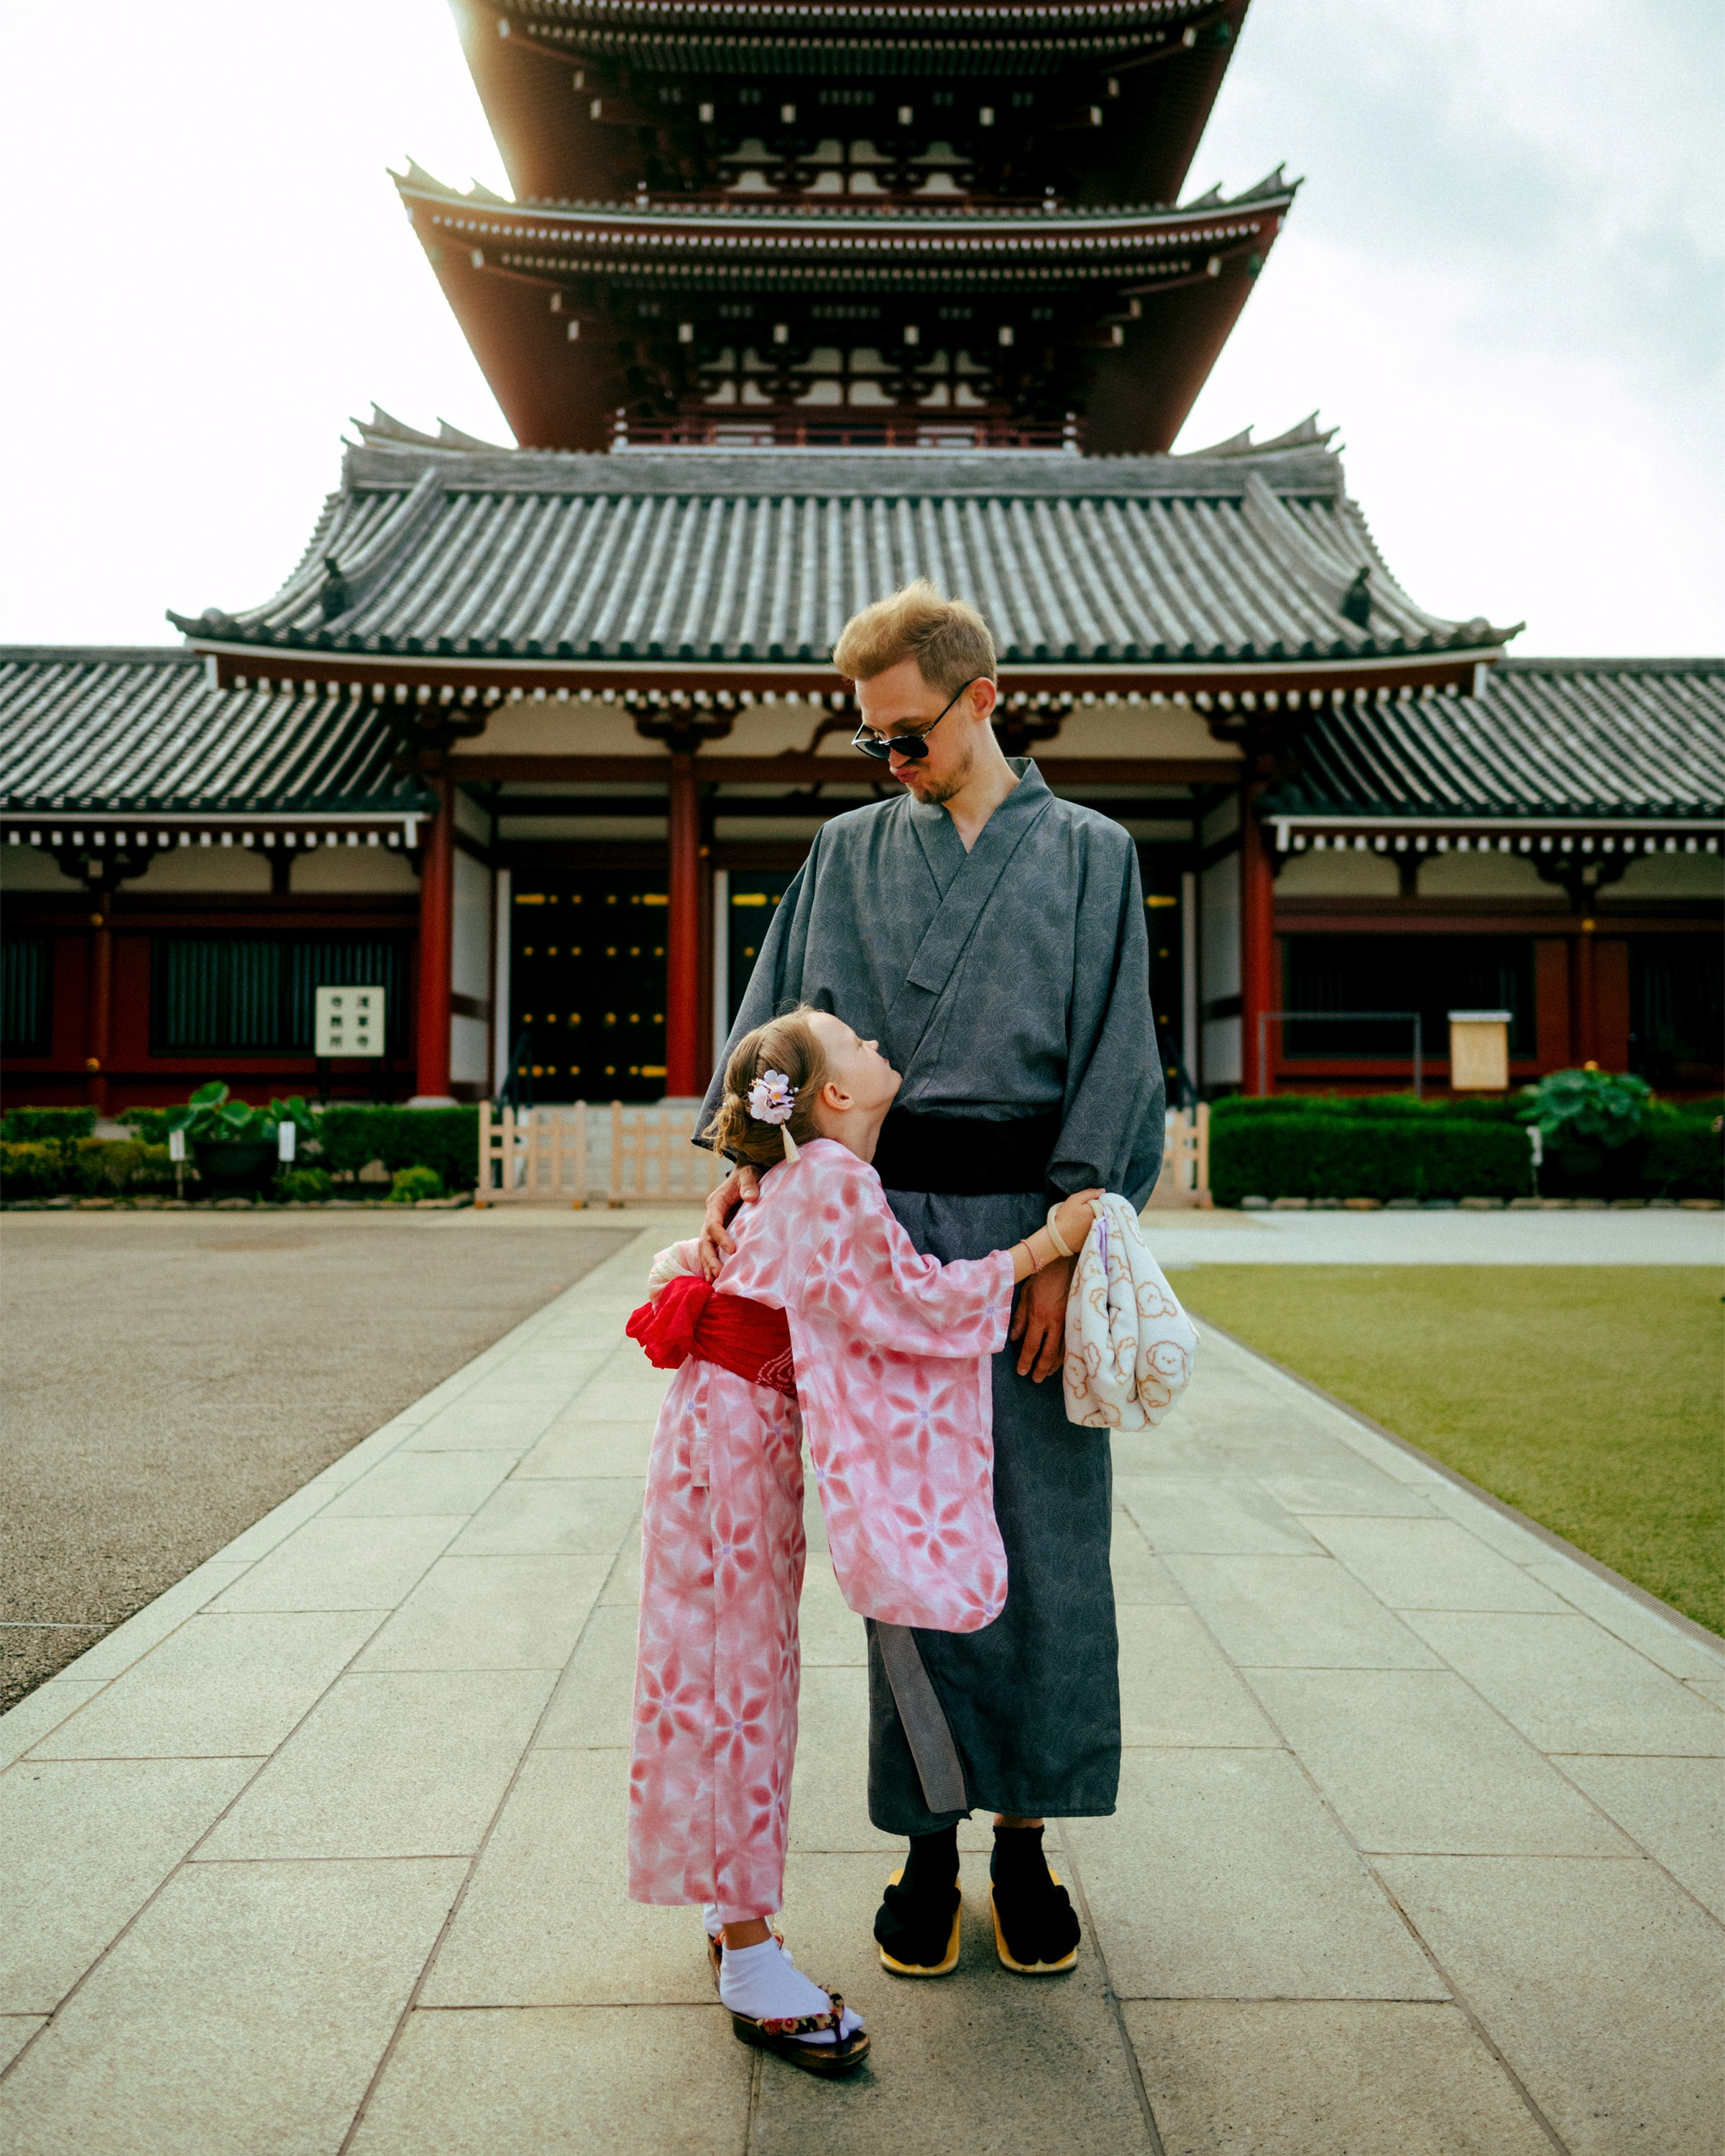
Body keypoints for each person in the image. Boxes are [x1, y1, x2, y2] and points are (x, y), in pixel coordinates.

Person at [699, 581, 1164, 1981]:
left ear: (985, 698)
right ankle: (925, 1839)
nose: (889, 765)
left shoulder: (1091, 856)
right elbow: (779, 1041)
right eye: (872, 744)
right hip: (881, 1238)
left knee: (1041, 1546)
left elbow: (1117, 1061)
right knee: (901, 1541)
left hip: (1032, 1229)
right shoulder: (845, 856)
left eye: (909, 736)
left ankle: (1025, 1836)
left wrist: (1070, 1243)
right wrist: (748, 1159)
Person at [627, 1003, 1101, 2078]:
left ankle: (729, 1910)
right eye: (858, 1043)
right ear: (834, 1097)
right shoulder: (834, 1181)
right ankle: (749, 1956)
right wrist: (1045, 1244)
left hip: (722, 1428)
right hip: (736, 1441)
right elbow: (922, 1306)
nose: (883, 1045)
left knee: (720, 1673)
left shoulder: (788, 1181)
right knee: (740, 1680)